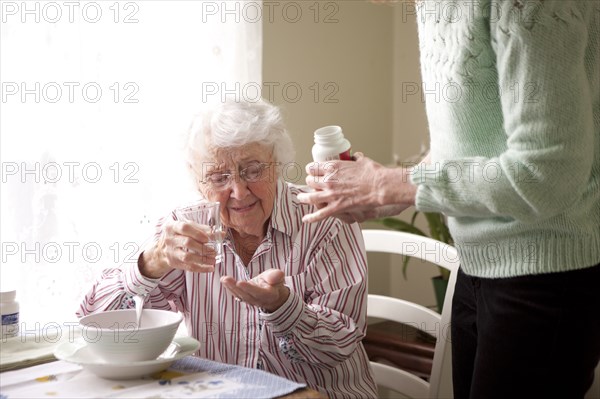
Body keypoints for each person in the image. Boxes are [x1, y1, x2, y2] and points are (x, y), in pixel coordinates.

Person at [298, 1, 600, 398]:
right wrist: (390, 194)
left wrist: (399, 184)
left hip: (546, 276)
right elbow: (468, 141)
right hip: (475, 268)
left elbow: (545, 174)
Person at [77, 99, 378, 398]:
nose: (238, 191)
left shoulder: (326, 220)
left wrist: (283, 307)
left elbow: (338, 346)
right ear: (199, 184)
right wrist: (152, 263)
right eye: (219, 178)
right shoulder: (185, 229)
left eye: (252, 170)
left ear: (278, 164)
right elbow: (98, 326)